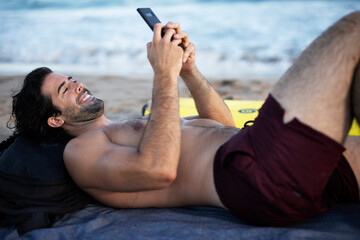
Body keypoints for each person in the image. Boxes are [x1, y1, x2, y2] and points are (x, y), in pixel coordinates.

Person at [5, 12, 360, 227]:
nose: (78, 84)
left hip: (253, 152)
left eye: (72, 78)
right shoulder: (81, 151)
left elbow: (224, 126)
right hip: (253, 176)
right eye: (65, 89)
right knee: (350, 33)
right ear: (55, 120)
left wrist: (188, 71)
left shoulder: (127, 126)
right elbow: (158, 170)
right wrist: (164, 73)